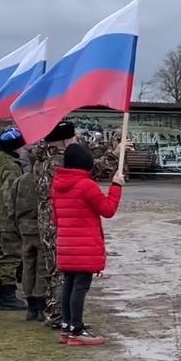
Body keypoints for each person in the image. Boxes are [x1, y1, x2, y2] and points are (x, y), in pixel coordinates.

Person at [54, 144, 124, 346]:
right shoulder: (86, 185)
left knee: (68, 285)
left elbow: (56, 217)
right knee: (80, 287)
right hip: (84, 244)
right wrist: (116, 186)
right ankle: (77, 329)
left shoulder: (58, 184)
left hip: (66, 243)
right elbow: (108, 209)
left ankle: (67, 327)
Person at [31, 121, 78, 327]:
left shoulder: (41, 158)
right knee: (60, 269)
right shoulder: (58, 161)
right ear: (65, 140)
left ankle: (53, 311)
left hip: (45, 219)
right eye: (73, 137)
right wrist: (115, 154)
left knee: (51, 267)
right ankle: (60, 315)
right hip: (58, 219)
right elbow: (87, 173)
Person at [0, 128, 26, 311]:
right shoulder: (9, 166)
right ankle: (7, 296)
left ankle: (5, 294)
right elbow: (11, 195)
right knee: (10, 257)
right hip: (8, 218)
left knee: (7, 255)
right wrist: (16, 219)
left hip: (1, 215)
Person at [14, 151, 46, 321]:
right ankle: (40, 304)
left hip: (24, 228)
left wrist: (17, 225)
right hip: (40, 228)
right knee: (41, 267)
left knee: (28, 266)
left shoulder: (21, 180)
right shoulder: (43, 180)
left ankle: (30, 305)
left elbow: (11, 204)